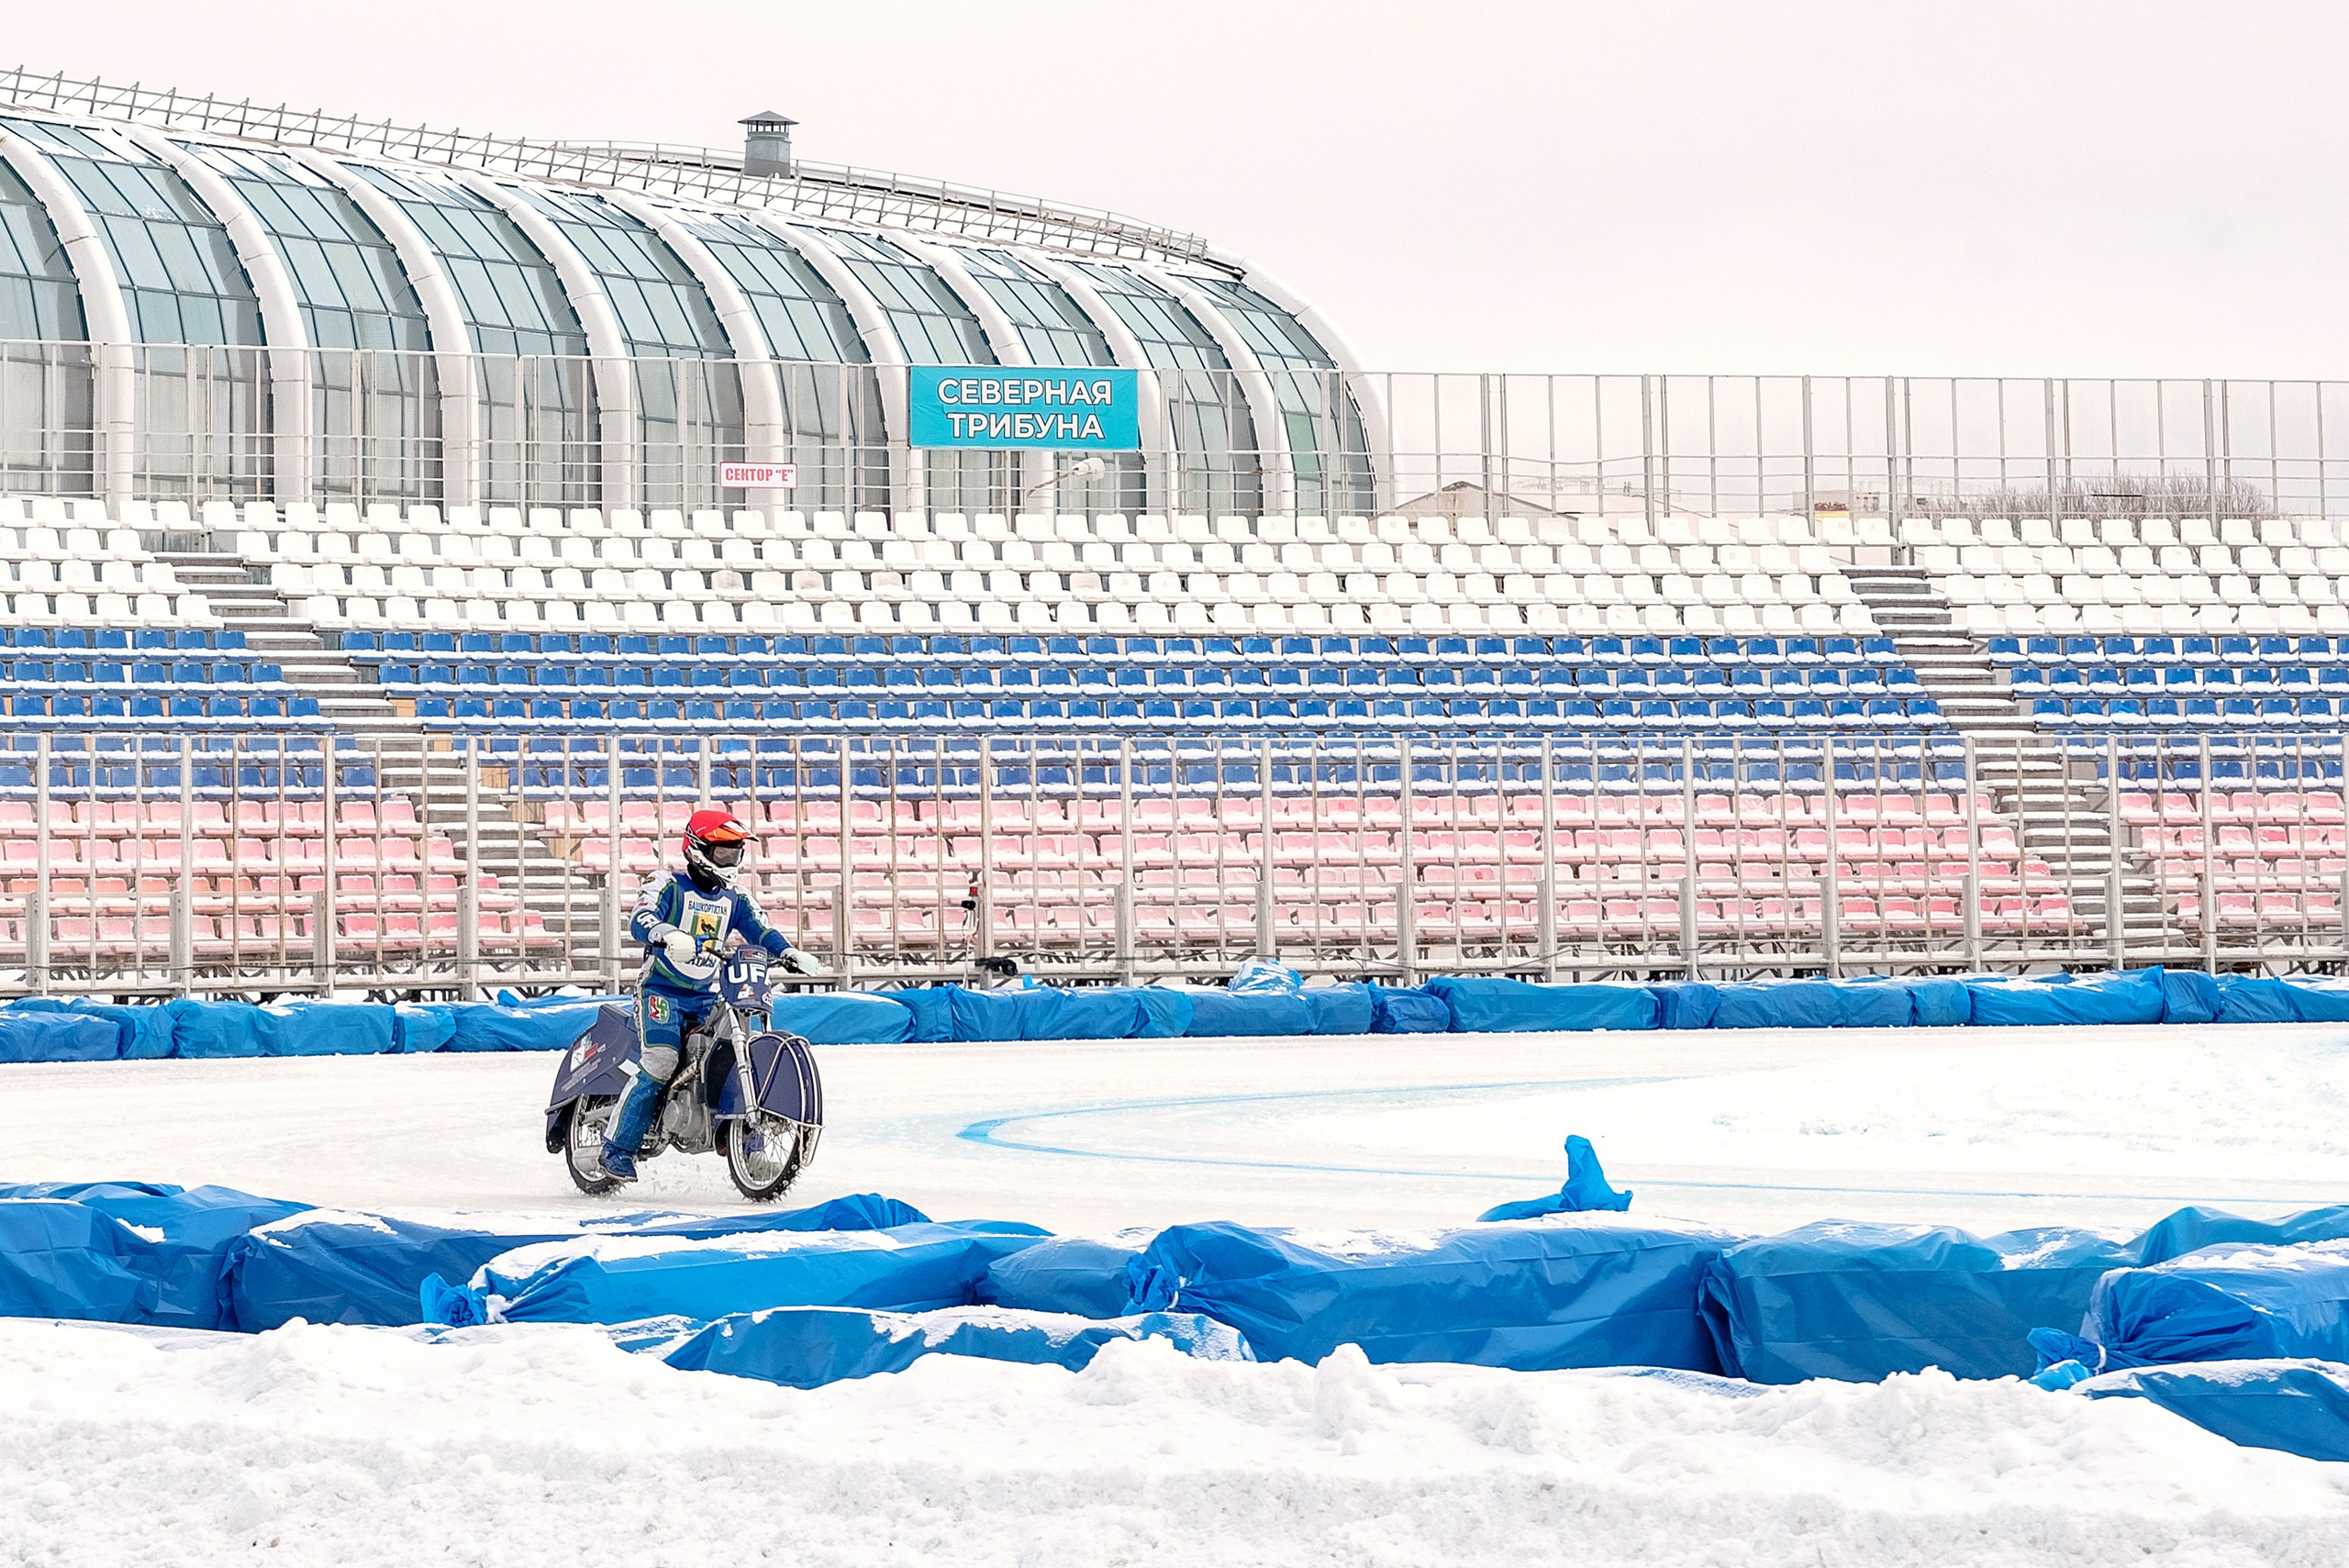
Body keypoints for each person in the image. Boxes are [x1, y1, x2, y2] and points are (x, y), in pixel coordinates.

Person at [605, 807, 825, 1180]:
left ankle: (745, 1142)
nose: (730, 859)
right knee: (660, 1062)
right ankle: (616, 1148)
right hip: (660, 990)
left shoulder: (736, 897)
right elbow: (640, 918)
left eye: (736, 851)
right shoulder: (667, 884)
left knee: (734, 1049)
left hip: (708, 994)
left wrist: (787, 952)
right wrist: (666, 934)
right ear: (696, 848)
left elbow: (760, 929)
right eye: (723, 851)